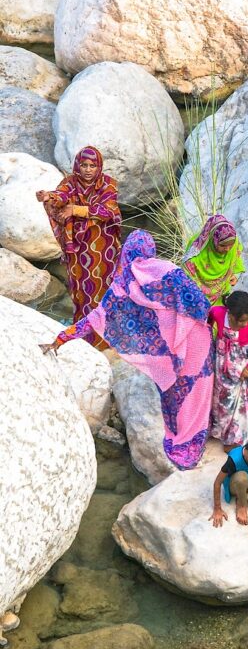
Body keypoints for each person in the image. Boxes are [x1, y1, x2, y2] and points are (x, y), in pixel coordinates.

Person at [40, 230, 214, 470]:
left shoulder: (121, 286)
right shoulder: (166, 270)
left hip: (164, 354)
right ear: (150, 249)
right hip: (195, 342)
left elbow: (93, 320)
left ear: (126, 252)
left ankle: (180, 436)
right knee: (198, 389)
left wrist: (61, 338)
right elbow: (199, 303)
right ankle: (200, 431)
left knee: (175, 393)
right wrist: (182, 324)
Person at [36, 146, 121, 347]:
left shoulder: (108, 185)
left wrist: (76, 209)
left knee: (104, 291)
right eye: (84, 165)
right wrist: (50, 196)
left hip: (103, 251)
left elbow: (107, 211)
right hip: (79, 250)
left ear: (99, 166)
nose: (88, 169)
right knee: (82, 292)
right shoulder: (70, 182)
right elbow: (62, 194)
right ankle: (84, 338)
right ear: (77, 165)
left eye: (93, 165)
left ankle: (106, 339)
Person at [208, 291, 248, 451]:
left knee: (245, 404)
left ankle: (239, 440)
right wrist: (207, 331)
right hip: (223, 366)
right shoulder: (219, 313)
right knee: (224, 400)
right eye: (241, 320)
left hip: (244, 368)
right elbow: (210, 316)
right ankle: (223, 433)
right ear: (230, 314)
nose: (245, 323)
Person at [181, 214, 245, 307]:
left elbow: (236, 261)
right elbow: (186, 275)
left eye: (230, 245)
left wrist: (234, 276)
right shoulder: (197, 250)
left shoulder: (233, 243)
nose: (227, 249)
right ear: (213, 239)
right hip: (197, 300)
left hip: (221, 296)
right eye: (222, 245)